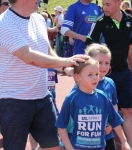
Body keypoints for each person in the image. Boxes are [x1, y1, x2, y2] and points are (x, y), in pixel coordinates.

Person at [0, 0, 88, 150]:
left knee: (53, 146)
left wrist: (64, 67)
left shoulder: (39, 19)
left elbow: (46, 50)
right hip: (13, 101)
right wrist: (65, 61)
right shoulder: (4, 23)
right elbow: (30, 57)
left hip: (42, 97)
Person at [85, 0, 132, 149]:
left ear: (118, 3)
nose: (104, 7)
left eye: (108, 4)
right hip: (105, 76)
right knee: (103, 111)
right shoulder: (100, 22)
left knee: (129, 110)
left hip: (124, 73)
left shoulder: (130, 21)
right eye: (103, 4)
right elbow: (89, 48)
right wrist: (95, 73)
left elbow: (131, 47)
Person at [56, 57, 130, 150]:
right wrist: (69, 147)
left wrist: (124, 141)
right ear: (77, 77)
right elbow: (61, 125)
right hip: (76, 147)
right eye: (90, 75)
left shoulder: (103, 97)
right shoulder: (71, 98)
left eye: (96, 74)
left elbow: (114, 120)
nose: (95, 78)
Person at [85, 43, 118, 150]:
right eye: (99, 63)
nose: (104, 67)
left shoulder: (110, 83)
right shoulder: (82, 84)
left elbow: (114, 105)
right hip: (89, 136)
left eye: (107, 63)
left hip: (107, 134)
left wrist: (111, 124)